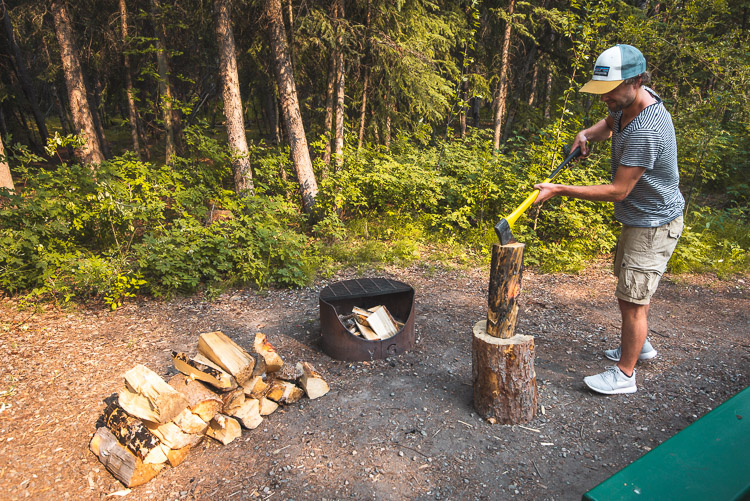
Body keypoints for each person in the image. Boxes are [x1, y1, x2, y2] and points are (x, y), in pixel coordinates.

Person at [533, 44, 684, 395]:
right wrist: (585, 135)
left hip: (653, 224)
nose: (605, 99)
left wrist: (559, 188)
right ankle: (639, 346)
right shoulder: (628, 102)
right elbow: (607, 124)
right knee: (627, 292)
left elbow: (619, 190)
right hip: (639, 221)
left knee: (634, 302)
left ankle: (625, 375)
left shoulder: (647, 128)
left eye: (610, 91)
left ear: (635, 81)